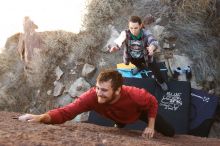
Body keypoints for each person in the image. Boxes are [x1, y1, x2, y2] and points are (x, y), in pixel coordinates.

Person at [19, 69, 175, 139]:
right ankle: (120, 123)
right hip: (118, 115)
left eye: (104, 90)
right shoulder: (92, 96)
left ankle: (123, 122)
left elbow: (152, 102)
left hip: (138, 112)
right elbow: (67, 112)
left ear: (117, 91)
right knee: (120, 125)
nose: (99, 92)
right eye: (98, 87)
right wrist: (40, 117)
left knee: (170, 132)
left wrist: (151, 125)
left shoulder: (134, 95)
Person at [109, 16, 168, 91]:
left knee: (155, 70)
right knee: (137, 64)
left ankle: (161, 82)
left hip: (146, 56)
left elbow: (153, 41)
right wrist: (115, 47)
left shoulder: (146, 33)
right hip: (133, 57)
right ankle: (140, 67)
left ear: (140, 26)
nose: (133, 31)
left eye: (136, 28)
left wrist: (152, 47)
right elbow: (119, 41)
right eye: (131, 28)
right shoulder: (125, 33)